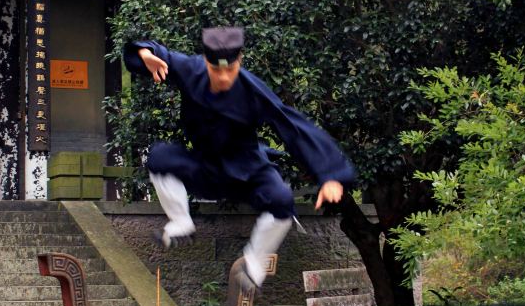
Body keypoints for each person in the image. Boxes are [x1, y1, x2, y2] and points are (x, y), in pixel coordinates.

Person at [123, 27, 356, 288]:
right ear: (205, 62)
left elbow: (293, 126)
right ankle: (180, 222)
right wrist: (145, 53)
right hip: (206, 167)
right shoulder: (190, 69)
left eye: (229, 70)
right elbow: (153, 51)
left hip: (248, 170)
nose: (223, 78)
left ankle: (254, 263)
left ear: (240, 62)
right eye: (216, 70)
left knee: (281, 200)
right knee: (158, 156)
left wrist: (331, 175)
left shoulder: (253, 89)